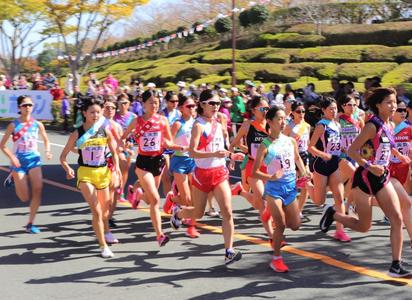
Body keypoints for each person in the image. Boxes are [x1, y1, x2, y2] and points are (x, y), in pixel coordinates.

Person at [320, 87, 411, 278]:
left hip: (383, 177)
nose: (393, 106)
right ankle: (334, 215)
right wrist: (370, 166)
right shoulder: (371, 126)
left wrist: (400, 156)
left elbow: (389, 146)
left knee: (397, 218)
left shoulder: (390, 125)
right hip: (365, 178)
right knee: (364, 227)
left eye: (395, 102)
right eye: (389, 102)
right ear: (378, 105)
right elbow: (353, 151)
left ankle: (396, 265)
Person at [170, 89, 242, 265]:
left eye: (218, 103)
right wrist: (214, 153)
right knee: (198, 213)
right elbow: (193, 153)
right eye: (212, 103)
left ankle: (229, 251)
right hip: (202, 175)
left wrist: (230, 156)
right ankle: (178, 214)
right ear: (202, 105)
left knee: (227, 212)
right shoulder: (198, 125)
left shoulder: (219, 122)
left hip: (219, 173)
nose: (216, 106)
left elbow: (222, 148)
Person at [60, 96, 120, 258]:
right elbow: (63, 157)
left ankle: (105, 231)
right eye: (92, 112)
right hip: (86, 174)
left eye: (98, 112)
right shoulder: (77, 133)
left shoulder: (105, 130)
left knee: (105, 211)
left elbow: (114, 152)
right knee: (97, 211)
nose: (95, 115)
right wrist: (67, 169)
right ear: (84, 113)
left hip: (103, 173)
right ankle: (103, 246)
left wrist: (117, 170)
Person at [252, 106, 309, 272]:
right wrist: (271, 177)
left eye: (285, 118)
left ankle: (267, 213)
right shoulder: (265, 145)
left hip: (290, 189)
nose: (283, 122)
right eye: (279, 119)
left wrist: (305, 172)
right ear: (269, 121)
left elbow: (297, 158)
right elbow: (255, 171)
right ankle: (276, 259)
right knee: (281, 225)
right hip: (274, 190)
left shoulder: (290, 141)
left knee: (296, 225)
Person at [122, 90, 180, 247]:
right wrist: (126, 144)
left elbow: (168, 141)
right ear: (143, 104)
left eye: (156, 102)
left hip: (158, 161)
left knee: (150, 198)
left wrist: (181, 147)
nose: (154, 105)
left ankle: (138, 194)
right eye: (151, 102)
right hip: (143, 163)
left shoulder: (163, 120)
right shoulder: (137, 121)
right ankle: (160, 235)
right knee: (155, 199)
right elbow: (124, 137)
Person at [0, 96, 52, 233]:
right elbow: (2, 145)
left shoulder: (38, 124)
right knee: (24, 197)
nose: (27, 107)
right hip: (19, 161)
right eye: (24, 105)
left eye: (30, 105)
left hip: (34, 159)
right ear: (19, 108)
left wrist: (47, 151)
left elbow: (46, 139)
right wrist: (12, 157)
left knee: (38, 189)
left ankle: (30, 224)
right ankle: (13, 177)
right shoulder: (13, 125)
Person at [229, 96, 273, 242]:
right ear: (254, 110)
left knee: (263, 202)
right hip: (253, 166)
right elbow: (234, 143)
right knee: (262, 201)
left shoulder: (271, 125)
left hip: (269, 167)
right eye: (262, 109)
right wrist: (243, 151)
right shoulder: (248, 125)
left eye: (267, 108)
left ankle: (240, 191)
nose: (266, 111)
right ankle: (272, 237)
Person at [308, 97, 350, 242]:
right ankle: (307, 185)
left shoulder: (337, 125)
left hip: (335, 164)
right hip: (321, 165)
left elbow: (338, 145)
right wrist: (323, 154)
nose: (334, 111)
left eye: (335, 108)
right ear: (324, 110)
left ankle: (340, 231)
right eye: (330, 109)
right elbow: (310, 146)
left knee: (339, 197)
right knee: (319, 201)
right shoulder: (321, 126)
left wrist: (346, 149)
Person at [164, 95, 199, 238]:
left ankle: (191, 227)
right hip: (179, 161)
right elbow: (167, 142)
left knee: (195, 198)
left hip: (193, 161)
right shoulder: (177, 124)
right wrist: (181, 147)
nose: (192, 108)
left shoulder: (197, 123)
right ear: (181, 108)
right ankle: (173, 200)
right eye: (188, 106)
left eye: (193, 106)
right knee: (186, 199)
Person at [283, 101, 312, 217]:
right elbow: (283, 143)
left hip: (304, 157)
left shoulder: (307, 126)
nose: (301, 114)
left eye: (303, 111)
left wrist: (309, 161)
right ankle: (289, 209)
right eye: (298, 111)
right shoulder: (288, 127)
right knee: (292, 186)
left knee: (306, 184)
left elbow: (308, 144)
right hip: (291, 157)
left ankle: (298, 210)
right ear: (293, 113)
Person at [113, 94, 137, 201]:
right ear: (117, 104)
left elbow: (138, 131)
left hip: (128, 145)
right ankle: (114, 187)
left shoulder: (133, 117)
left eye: (125, 103)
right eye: (121, 103)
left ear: (129, 104)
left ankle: (121, 190)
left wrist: (131, 135)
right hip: (115, 145)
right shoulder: (114, 116)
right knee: (114, 167)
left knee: (125, 169)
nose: (123, 105)